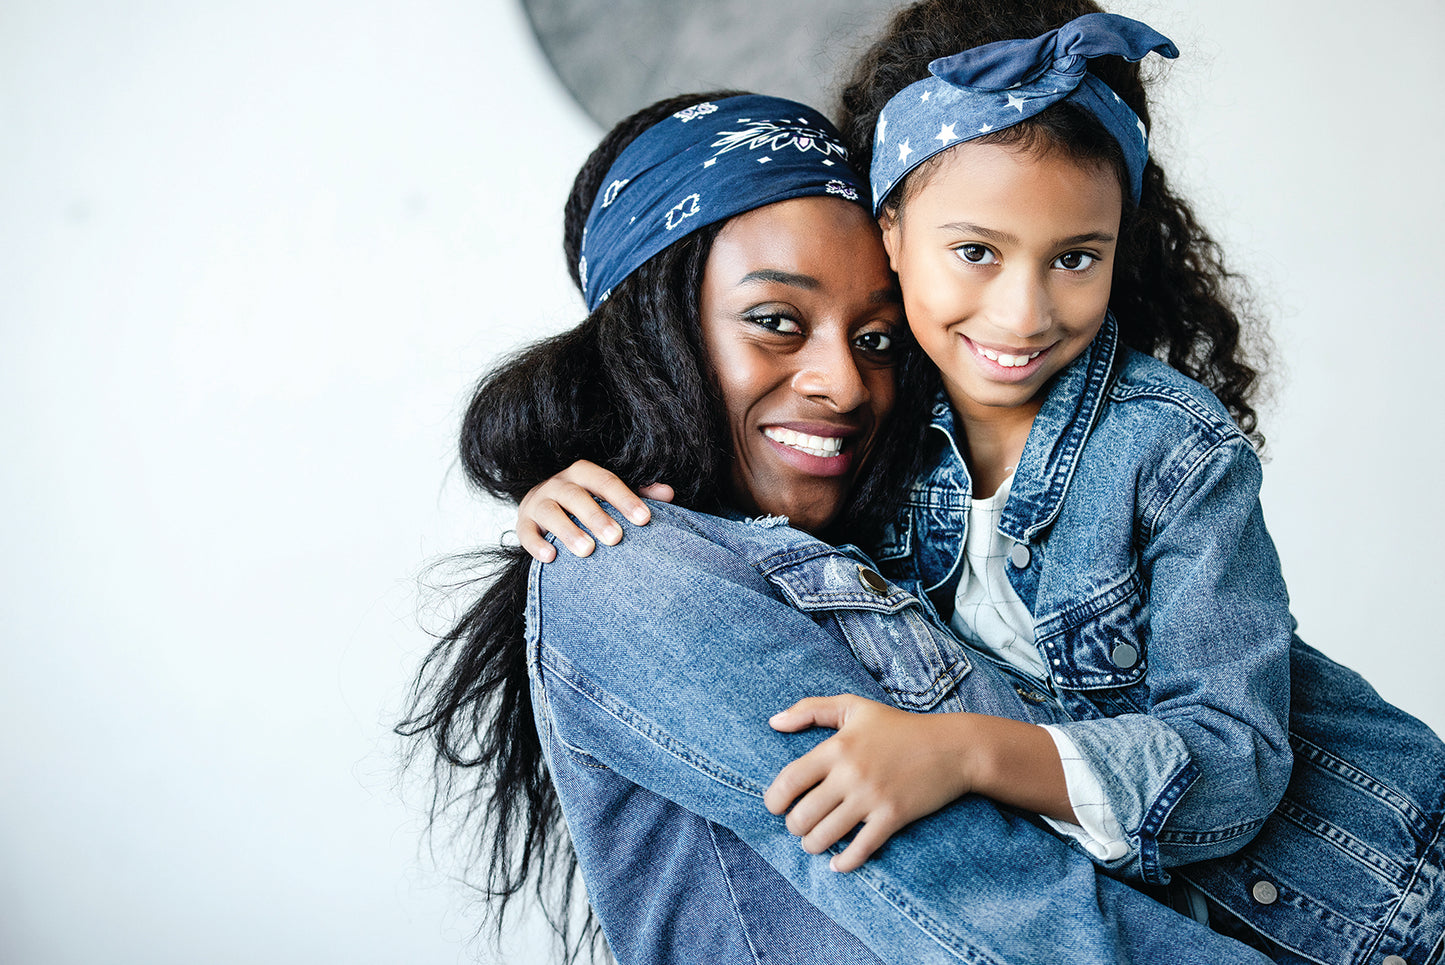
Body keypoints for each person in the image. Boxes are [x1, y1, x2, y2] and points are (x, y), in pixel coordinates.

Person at [517, 6, 1445, 964]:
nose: (1020, 309)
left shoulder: (1160, 449)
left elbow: (1231, 761)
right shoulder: (876, 461)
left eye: (1075, 257)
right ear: (900, 235)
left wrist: (965, 751)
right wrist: (562, 484)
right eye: (775, 322)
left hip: (1376, 903)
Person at [401, 90, 1277, 964]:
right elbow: (1013, 918)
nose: (847, 385)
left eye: (877, 340)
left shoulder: (909, 541)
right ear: (655, 331)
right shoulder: (619, 560)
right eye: (776, 322)